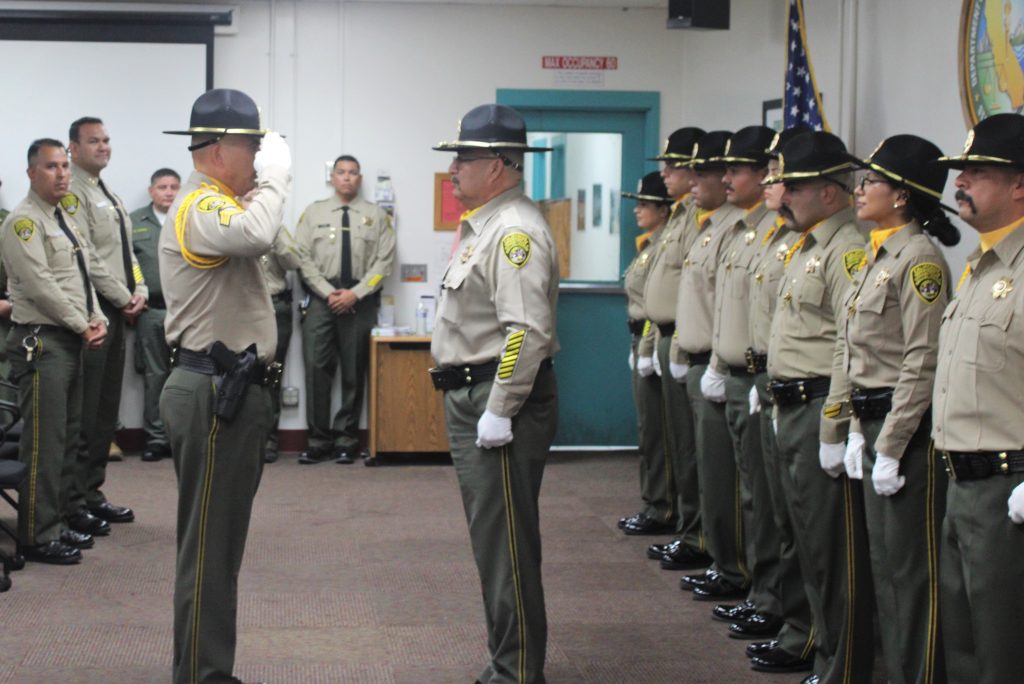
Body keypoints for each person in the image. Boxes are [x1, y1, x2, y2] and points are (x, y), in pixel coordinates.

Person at [160, 88, 290, 684]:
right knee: (209, 548)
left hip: (229, 392)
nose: (260, 159)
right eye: (252, 147)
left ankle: (206, 667)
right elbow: (257, 236)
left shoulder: (219, 203)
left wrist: (261, 186)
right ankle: (201, 675)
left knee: (220, 544)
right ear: (215, 150)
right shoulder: (198, 206)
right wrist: (278, 182)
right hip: (213, 393)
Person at [430, 103, 559, 684]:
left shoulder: (513, 233)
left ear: (501, 166)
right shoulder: (485, 223)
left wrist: (500, 408)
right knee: (494, 542)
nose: (453, 169)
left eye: (465, 158)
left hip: (495, 399)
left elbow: (525, 331)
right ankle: (507, 661)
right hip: (471, 394)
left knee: (506, 546)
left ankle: (517, 673)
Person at [836, 135, 956, 684]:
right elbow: (859, 347)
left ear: (903, 196)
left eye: (872, 182)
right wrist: (857, 427)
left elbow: (921, 359)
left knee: (911, 575)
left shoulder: (921, 260)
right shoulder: (878, 253)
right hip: (874, 418)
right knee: (883, 568)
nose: (860, 190)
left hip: (903, 428)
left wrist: (890, 443)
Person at [766, 131, 874, 684]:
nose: (786, 195)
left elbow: (849, 344)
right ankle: (822, 649)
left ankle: (844, 665)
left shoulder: (847, 249)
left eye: (799, 187)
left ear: (831, 192)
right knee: (804, 538)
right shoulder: (807, 246)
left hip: (817, 407)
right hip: (790, 405)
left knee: (833, 552)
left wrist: (835, 425)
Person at [932, 112, 1024, 684]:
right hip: (959, 481)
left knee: (1003, 650)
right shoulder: (978, 267)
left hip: (1007, 492)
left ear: (1020, 184)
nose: (960, 181)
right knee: (962, 643)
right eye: (960, 170)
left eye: (976, 171)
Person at [0, 138, 108, 564]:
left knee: (66, 438)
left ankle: (58, 521)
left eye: (64, 165)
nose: (62, 173)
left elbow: (84, 277)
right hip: (43, 341)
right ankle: (36, 535)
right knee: (43, 444)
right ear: (31, 173)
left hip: (70, 339)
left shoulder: (64, 217)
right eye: (51, 167)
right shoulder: (23, 223)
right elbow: (43, 287)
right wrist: (84, 324)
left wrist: (96, 316)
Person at [702, 125, 786, 637]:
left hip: (770, 385)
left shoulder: (782, 236)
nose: (727, 177)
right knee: (752, 494)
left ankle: (774, 599)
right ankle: (763, 591)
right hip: (737, 375)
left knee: (770, 503)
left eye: (739, 169)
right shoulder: (746, 230)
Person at [742, 127, 817, 675]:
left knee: (808, 532)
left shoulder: (844, 253)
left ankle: (807, 633)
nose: (776, 187)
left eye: (783, 178)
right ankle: (788, 617)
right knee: (773, 514)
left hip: (815, 406)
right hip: (775, 389)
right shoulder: (787, 241)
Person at [669, 130, 747, 601]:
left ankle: (734, 568)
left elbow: (728, 308)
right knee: (702, 468)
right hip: (701, 360)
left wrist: (715, 360)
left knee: (731, 483)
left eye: (706, 172)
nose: (695, 180)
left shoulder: (736, 228)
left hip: (729, 368)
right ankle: (720, 558)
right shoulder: (706, 225)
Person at [633, 127, 709, 564]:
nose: (665, 172)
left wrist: (675, 344)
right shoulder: (682, 217)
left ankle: (696, 532)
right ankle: (687, 525)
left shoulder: (695, 218)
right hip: (667, 338)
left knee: (688, 447)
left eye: (674, 166)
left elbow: (692, 293)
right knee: (669, 440)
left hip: (688, 343)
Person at [66, 116, 146, 528]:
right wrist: (121, 295)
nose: (103, 147)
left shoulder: (105, 191)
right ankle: (73, 501)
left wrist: (140, 288)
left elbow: (126, 251)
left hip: (118, 307)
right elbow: (86, 257)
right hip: (93, 312)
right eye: (94, 141)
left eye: (107, 140)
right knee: (86, 409)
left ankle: (92, 490)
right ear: (73, 149)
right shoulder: (73, 192)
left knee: (105, 410)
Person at [295, 154, 395, 464]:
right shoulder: (313, 213)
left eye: (353, 172)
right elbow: (302, 259)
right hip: (321, 299)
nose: (347, 177)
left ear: (360, 178)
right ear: (333, 178)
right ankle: (318, 440)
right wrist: (328, 293)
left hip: (360, 302)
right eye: (341, 172)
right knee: (316, 370)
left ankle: (346, 439)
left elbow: (384, 262)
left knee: (354, 371)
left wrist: (356, 293)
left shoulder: (377, 216)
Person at [621, 172, 674, 535]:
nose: (638, 210)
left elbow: (665, 301)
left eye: (645, 204)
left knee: (659, 432)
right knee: (648, 428)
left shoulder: (664, 246)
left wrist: (650, 344)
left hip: (652, 340)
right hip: (640, 339)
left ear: (664, 209)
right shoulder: (648, 245)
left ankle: (663, 507)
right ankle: (654, 501)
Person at [129, 168, 181, 462]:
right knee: (155, 376)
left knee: (186, 375)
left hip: (186, 311)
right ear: (152, 191)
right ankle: (157, 438)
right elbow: (125, 262)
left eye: (174, 186)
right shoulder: (135, 221)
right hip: (152, 310)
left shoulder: (188, 218)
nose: (169, 192)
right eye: (162, 187)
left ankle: (180, 437)